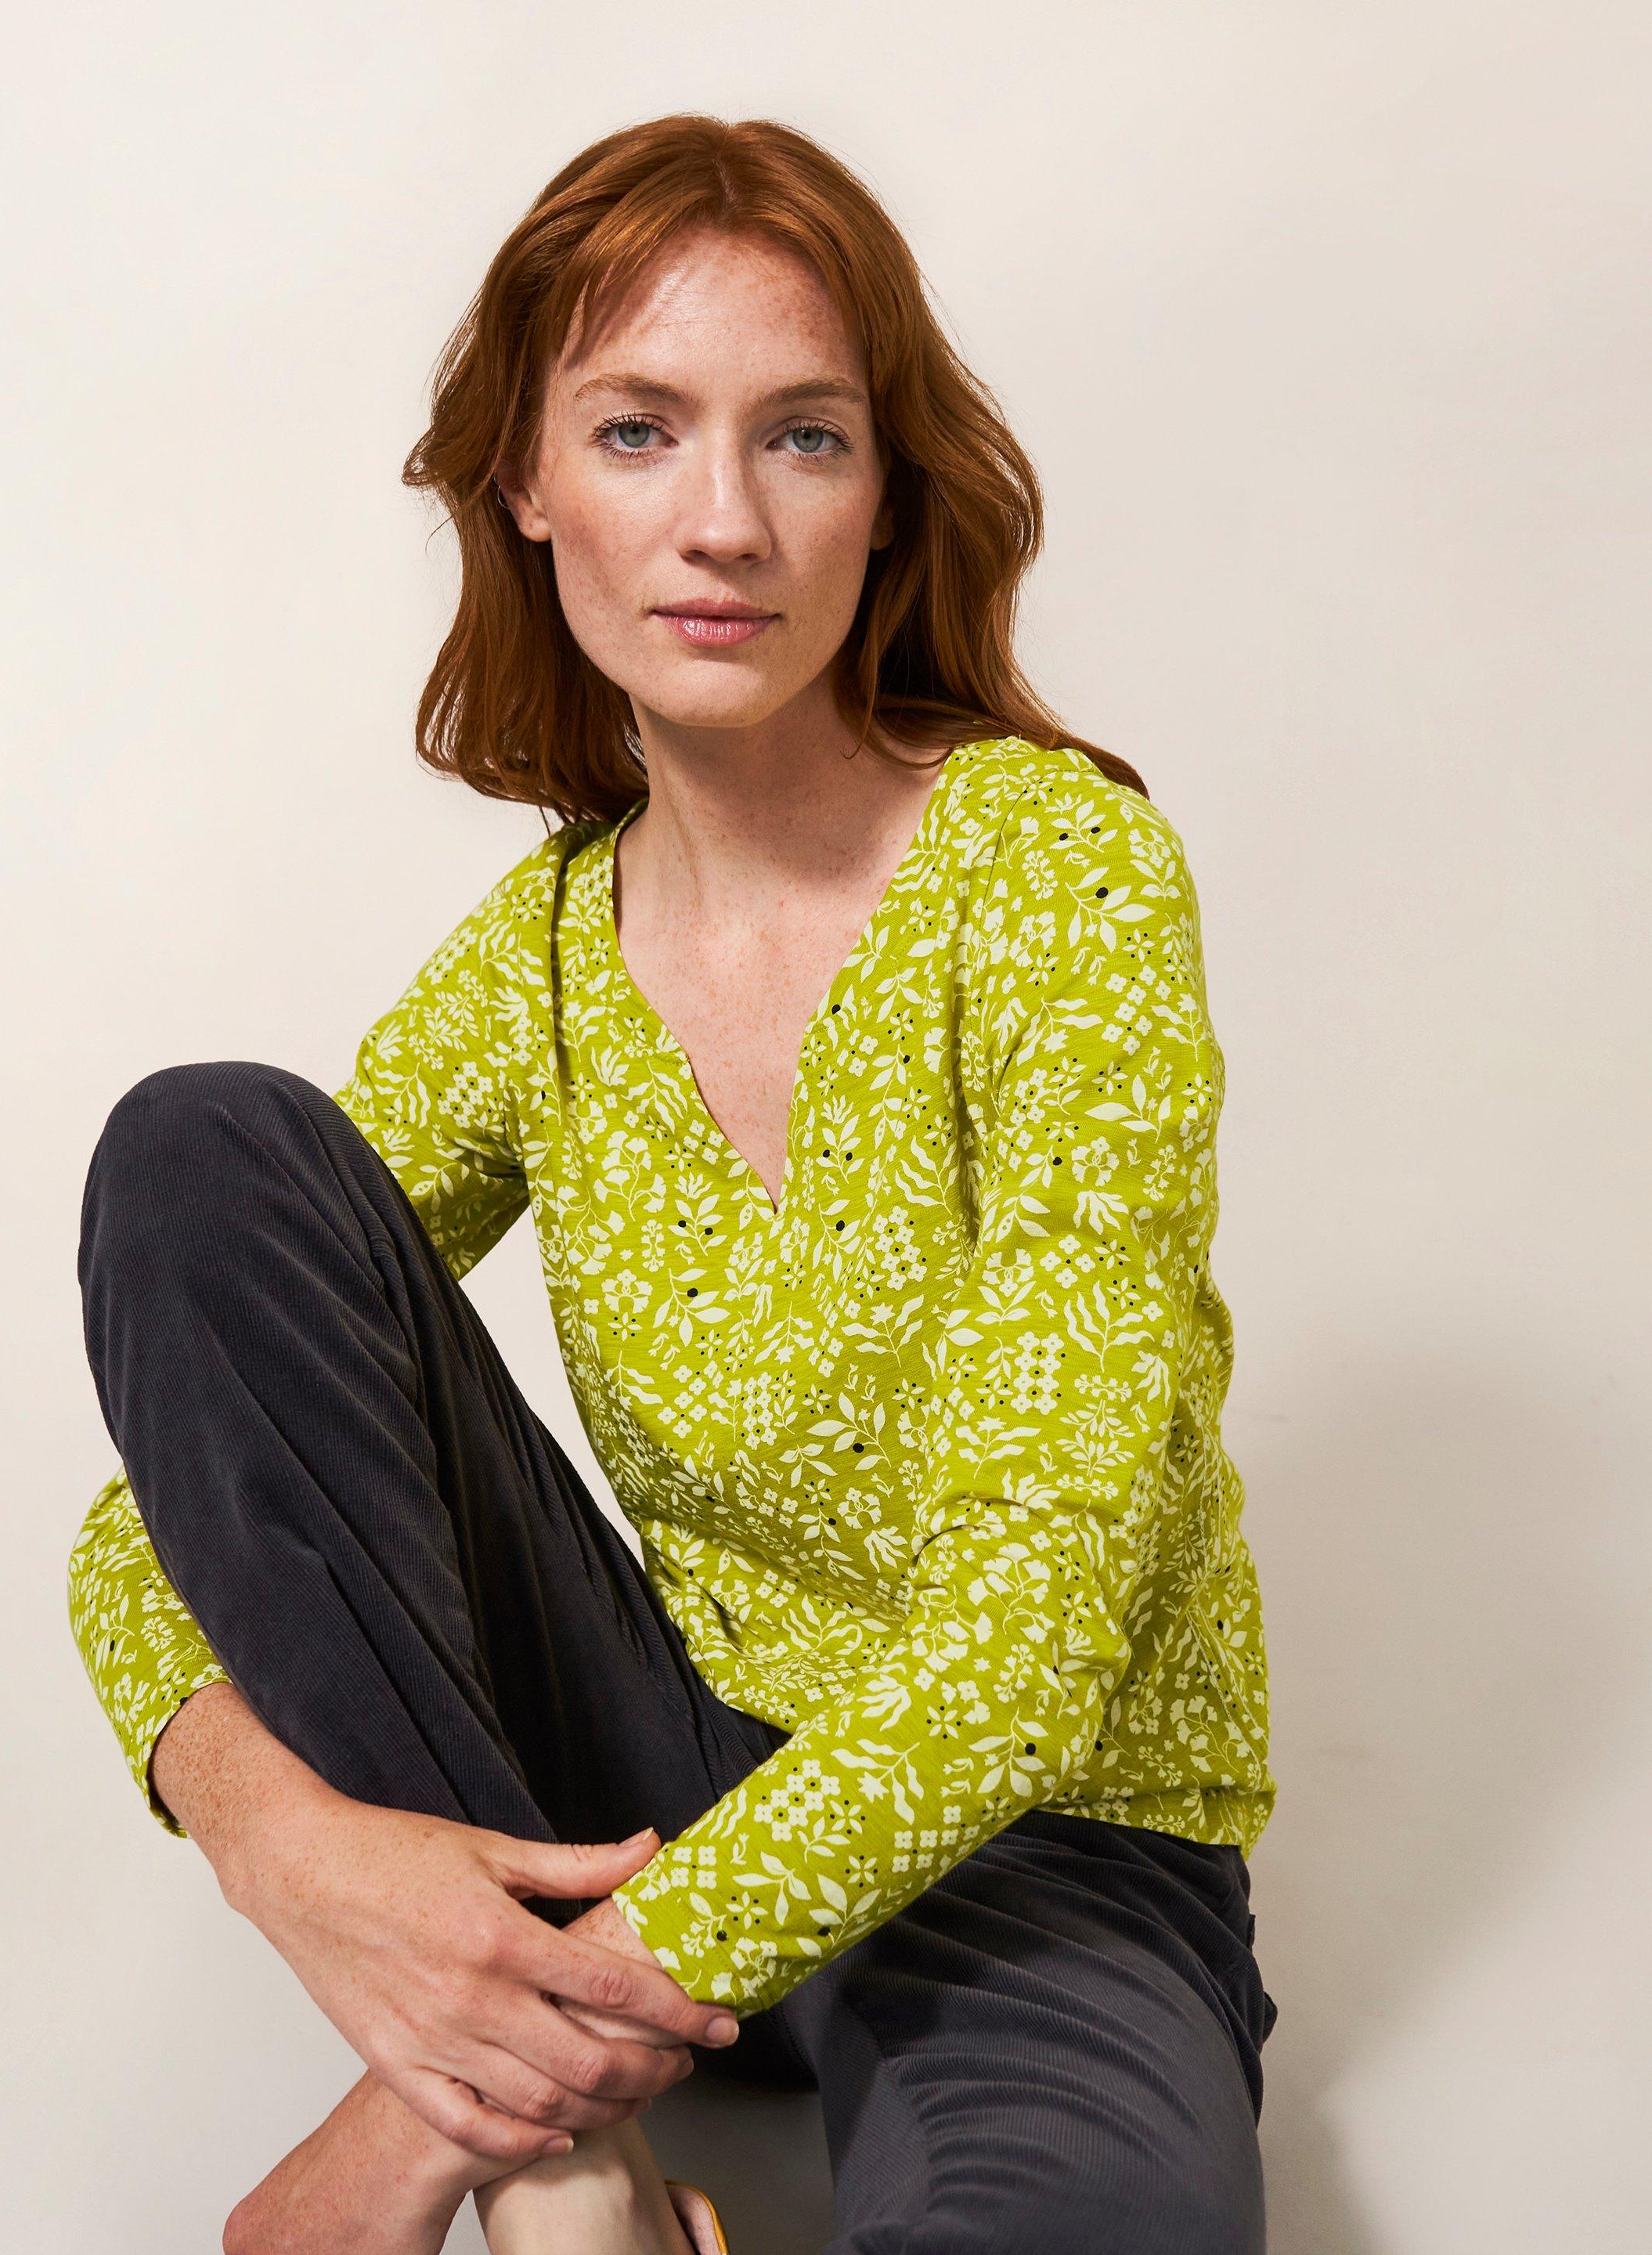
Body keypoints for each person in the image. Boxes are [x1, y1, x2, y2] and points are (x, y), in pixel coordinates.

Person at [70, 112, 1279, 2255]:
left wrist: (424, 2111)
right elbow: (170, 1510)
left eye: (803, 435)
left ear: (887, 489)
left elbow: (1030, 1643)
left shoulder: (1057, 876)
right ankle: (578, 2200)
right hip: (661, 1782)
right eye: (639, 430)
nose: (724, 521)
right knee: (206, 1154)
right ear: (527, 482)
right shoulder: (538, 965)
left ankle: (519, 2139)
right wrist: (278, 1843)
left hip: (1043, 1857)